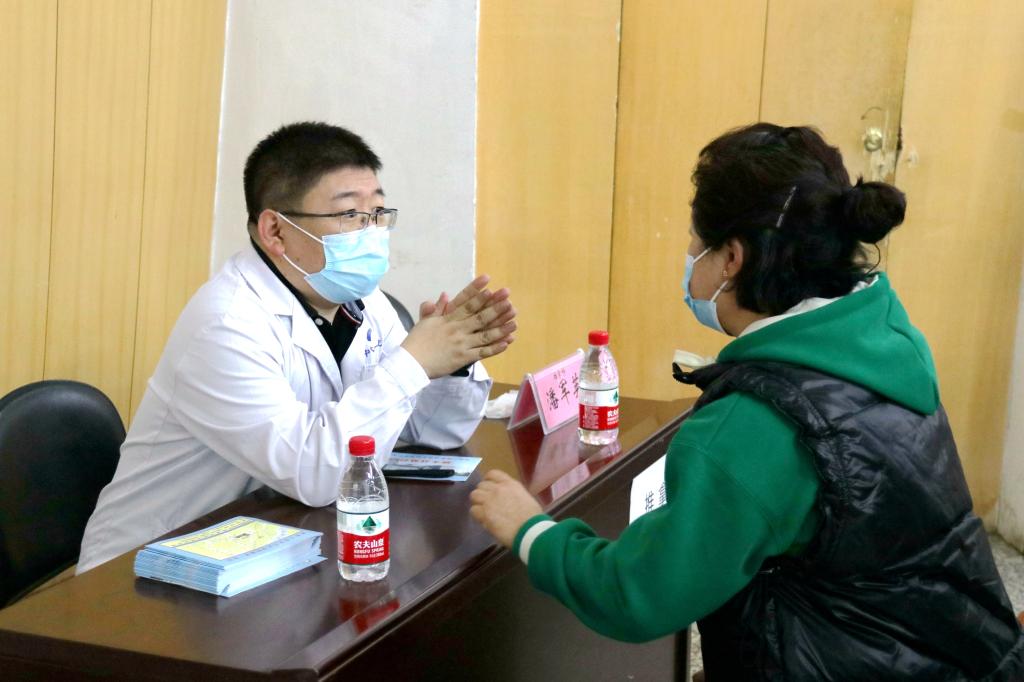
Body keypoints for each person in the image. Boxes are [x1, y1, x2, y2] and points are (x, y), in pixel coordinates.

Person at [470, 124, 1023, 680]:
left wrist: (531, 531)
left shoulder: (756, 422)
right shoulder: (887, 343)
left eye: (696, 242)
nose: (690, 257)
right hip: (962, 657)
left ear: (732, 257)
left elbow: (638, 594)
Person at [78, 122, 516, 573]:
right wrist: (414, 363)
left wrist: (452, 361)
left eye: (377, 214)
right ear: (275, 230)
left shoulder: (361, 299)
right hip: (150, 570)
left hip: (271, 539)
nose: (371, 233)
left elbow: (434, 433)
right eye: (350, 215)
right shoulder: (226, 324)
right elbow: (317, 476)